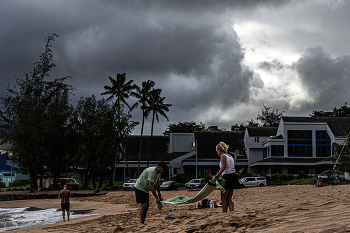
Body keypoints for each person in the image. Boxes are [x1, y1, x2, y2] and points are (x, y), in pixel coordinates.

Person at [212, 141, 241, 213]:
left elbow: (223, 168)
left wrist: (216, 176)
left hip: (226, 178)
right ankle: (232, 212)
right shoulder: (230, 156)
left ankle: (224, 213)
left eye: (217, 151)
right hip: (233, 176)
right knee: (229, 199)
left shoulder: (223, 156)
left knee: (224, 198)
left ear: (220, 150)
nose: (217, 153)